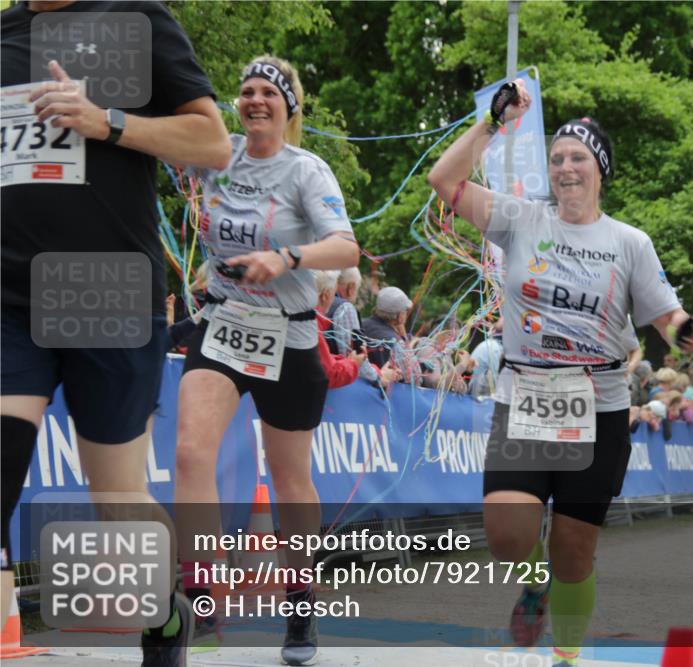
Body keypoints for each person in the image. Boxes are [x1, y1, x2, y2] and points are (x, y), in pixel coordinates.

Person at [427, 80, 693, 667]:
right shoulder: (520, 218)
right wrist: (492, 125)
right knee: (507, 536)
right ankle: (535, 584)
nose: (564, 166)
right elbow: (445, 183)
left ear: (600, 169)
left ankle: (566, 657)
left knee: (575, 553)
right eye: (556, 158)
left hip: (598, 406)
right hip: (526, 396)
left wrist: (682, 331)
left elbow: (663, 312)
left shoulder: (629, 243)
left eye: (578, 157)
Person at [1, 2, 230, 665]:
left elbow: (212, 142)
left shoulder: (134, 20)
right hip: (9, 294)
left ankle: (163, 617)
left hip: (104, 286)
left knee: (120, 502)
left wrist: (108, 121)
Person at [171, 55, 359, 666]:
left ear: (289, 108)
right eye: (245, 91)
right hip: (225, 322)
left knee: (289, 482)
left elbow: (346, 244)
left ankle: (300, 607)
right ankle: (201, 591)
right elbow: (156, 131)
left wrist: (287, 259)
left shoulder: (306, 169)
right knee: (190, 452)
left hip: (292, 335)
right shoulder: (216, 154)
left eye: (267, 94)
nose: (254, 101)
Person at [361, 286, 412, 372]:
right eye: (406, 310)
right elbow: (415, 377)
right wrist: (404, 336)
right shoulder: (396, 342)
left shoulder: (360, 324)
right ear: (400, 316)